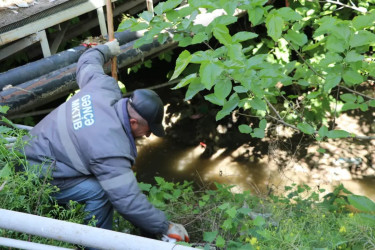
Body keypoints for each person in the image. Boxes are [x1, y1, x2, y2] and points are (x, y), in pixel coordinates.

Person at [22, 39, 189, 243]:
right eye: (149, 130)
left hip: (30, 149)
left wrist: (106, 49)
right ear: (134, 122)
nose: (148, 136)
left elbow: (87, 61)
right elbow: (127, 201)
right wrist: (166, 226)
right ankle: (96, 243)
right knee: (101, 192)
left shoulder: (103, 87)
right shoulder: (111, 149)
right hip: (36, 174)